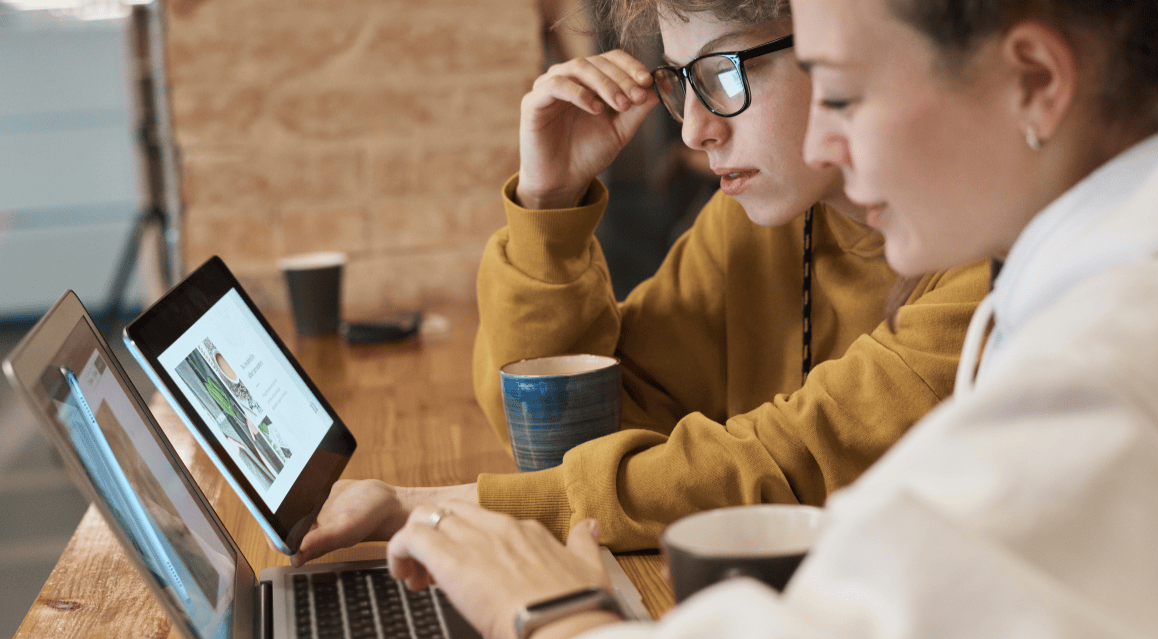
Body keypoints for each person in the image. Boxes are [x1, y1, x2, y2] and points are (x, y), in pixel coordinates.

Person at [336, 0, 1158, 639]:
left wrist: (547, 609)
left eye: (847, 94)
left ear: (1037, 81)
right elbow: (572, 420)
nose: (825, 148)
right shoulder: (1071, 287)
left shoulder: (1118, 352)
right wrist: (548, 210)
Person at [296, 0, 990, 557]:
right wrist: (549, 208)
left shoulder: (991, 268)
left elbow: (778, 466)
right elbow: (565, 437)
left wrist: (429, 506)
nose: (693, 131)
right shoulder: (755, 226)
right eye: (682, 82)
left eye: (722, 74)